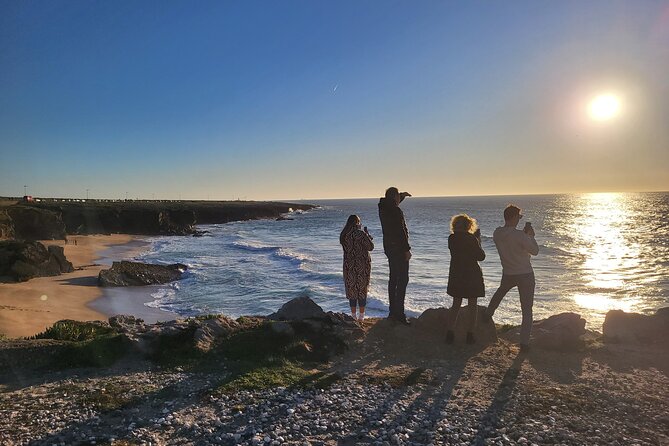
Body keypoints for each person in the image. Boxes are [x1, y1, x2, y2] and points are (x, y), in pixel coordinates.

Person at [485, 204, 539, 352]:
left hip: (508, 272)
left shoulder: (497, 233)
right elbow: (535, 251)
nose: (520, 219)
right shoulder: (520, 236)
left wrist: (523, 236)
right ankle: (524, 342)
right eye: (519, 217)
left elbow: (510, 240)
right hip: (525, 273)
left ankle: (488, 314)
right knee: (527, 308)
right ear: (514, 217)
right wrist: (530, 236)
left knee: (500, 292)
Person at [445, 214, 486, 345]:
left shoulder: (451, 239)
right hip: (471, 274)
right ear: (468, 226)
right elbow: (481, 256)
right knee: (472, 305)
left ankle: (450, 333)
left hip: (457, 274)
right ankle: (470, 334)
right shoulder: (471, 239)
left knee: (456, 304)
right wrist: (478, 241)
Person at [378, 187, 412, 325]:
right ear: (394, 198)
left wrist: (402, 195)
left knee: (393, 279)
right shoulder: (395, 211)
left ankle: (392, 312)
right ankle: (400, 314)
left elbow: (392, 203)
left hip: (389, 248)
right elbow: (400, 231)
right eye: (398, 197)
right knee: (402, 280)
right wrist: (406, 249)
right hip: (398, 248)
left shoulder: (383, 208)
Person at [340, 214, 374, 321]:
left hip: (349, 266)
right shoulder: (361, 234)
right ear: (357, 223)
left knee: (352, 290)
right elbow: (370, 247)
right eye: (359, 222)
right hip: (362, 266)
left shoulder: (344, 235)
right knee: (362, 290)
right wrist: (368, 236)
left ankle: (353, 316)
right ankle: (361, 317)